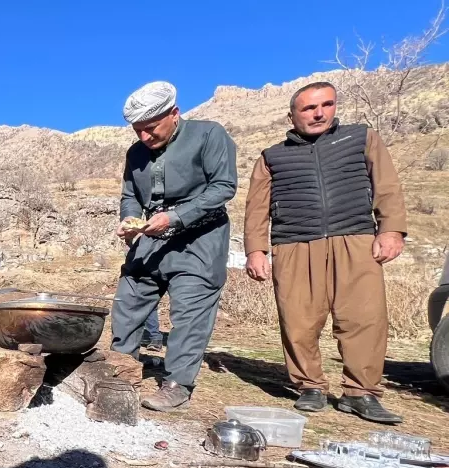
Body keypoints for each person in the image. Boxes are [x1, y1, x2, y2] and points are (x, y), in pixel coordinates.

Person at [243, 82, 406, 423]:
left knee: (364, 317)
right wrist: (256, 250)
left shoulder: (361, 138)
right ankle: (310, 387)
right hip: (294, 243)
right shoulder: (272, 156)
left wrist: (391, 229)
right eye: (308, 108)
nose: (318, 113)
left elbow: (387, 186)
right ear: (291, 115)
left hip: (356, 239)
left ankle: (361, 392)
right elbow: (256, 209)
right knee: (298, 319)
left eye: (326, 105)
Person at [112, 81, 238, 412]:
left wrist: (176, 217)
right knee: (128, 301)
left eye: (151, 128)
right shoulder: (135, 154)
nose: (144, 137)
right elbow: (130, 195)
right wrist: (129, 220)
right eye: (137, 130)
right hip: (150, 237)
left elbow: (223, 187)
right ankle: (121, 370)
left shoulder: (209, 135)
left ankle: (177, 384)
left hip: (200, 239)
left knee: (189, 313)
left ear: (174, 113)